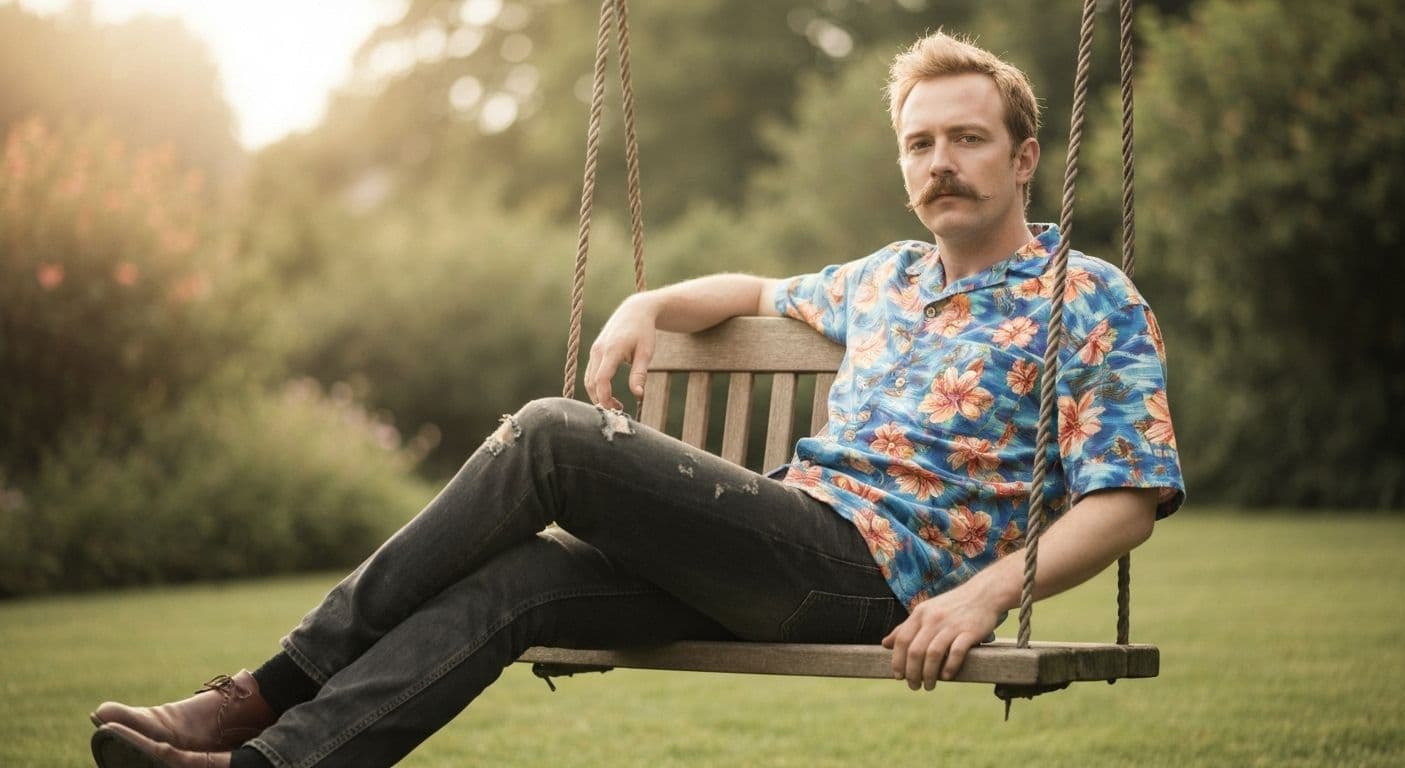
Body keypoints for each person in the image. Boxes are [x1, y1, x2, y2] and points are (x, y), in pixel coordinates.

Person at [89, 29, 1183, 768]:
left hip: (866, 574)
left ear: (1025, 155)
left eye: (966, 139)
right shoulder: (883, 277)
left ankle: (270, 684)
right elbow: (753, 290)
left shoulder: (1083, 298)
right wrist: (650, 301)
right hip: (782, 551)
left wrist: (985, 597)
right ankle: (269, 761)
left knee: (554, 437)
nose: (940, 161)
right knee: (520, 587)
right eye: (920, 142)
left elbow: (1125, 496)